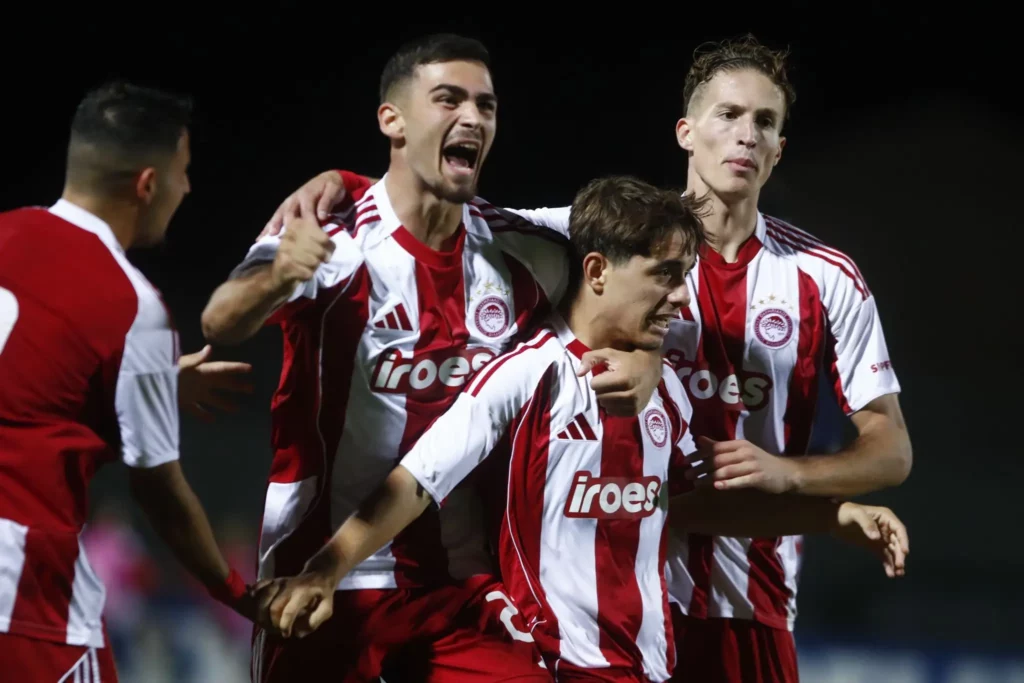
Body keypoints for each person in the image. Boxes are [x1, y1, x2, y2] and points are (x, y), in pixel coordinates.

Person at [265, 34, 912, 683]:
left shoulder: (824, 278)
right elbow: (442, 211)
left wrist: (797, 483)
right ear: (686, 132)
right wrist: (353, 186)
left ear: (780, 148)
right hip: (572, 627)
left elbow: (888, 452)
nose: (746, 135)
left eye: (764, 122)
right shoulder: (603, 239)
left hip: (746, 594)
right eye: (729, 114)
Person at [200, 34, 659, 683]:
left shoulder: (522, 247)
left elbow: (653, 256)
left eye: (485, 106)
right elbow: (221, 319)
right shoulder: (332, 238)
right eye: (449, 100)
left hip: (455, 585)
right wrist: (277, 276)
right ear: (392, 119)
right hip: (323, 576)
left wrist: (647, 354)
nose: (472, 117)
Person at [0, 80, 256, 682]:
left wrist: (148, 385)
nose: (187, 189)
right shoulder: (131, 304)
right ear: (148, 184)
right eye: (183, 173)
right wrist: (237, 593)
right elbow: (158, 489)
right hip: (25, 595)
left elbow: (33, 390)